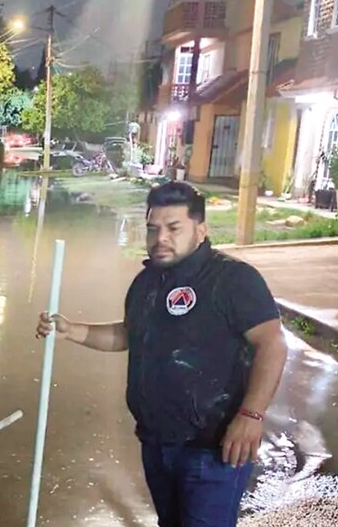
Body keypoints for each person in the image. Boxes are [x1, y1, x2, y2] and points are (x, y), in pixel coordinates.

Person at [37, 182, 287, 527]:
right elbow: (129, 334)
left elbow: (272, 343)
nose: (160, 238)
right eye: (153, 229)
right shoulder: (147, 282)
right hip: (156, 442)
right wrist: (71, 331)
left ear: (201, 230)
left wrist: (251, 415)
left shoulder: (233, 279)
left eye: (173, 228)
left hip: (213, 448)